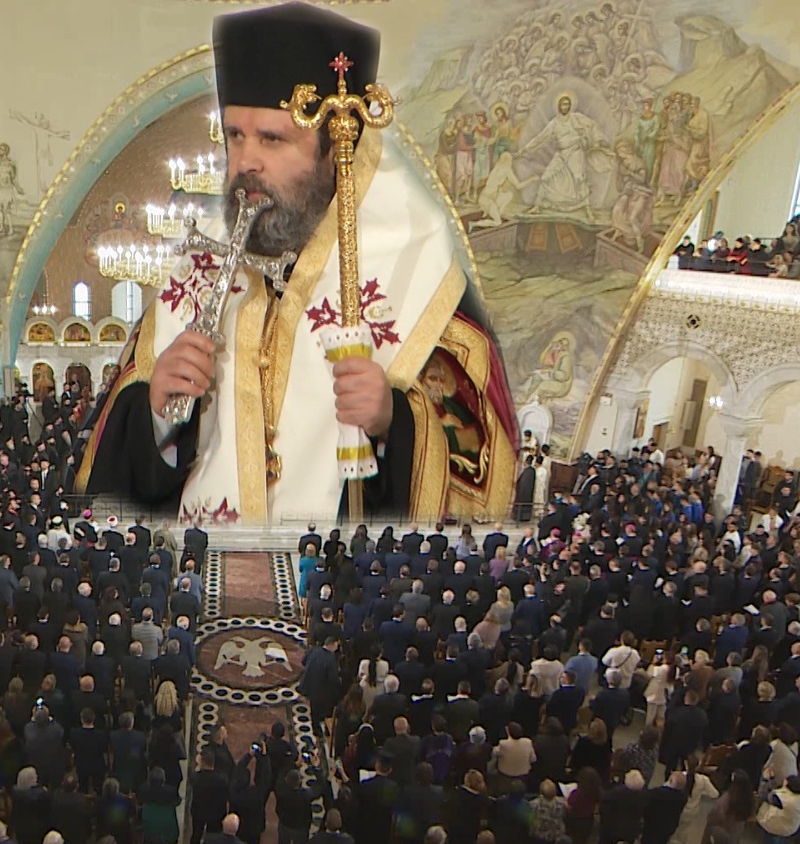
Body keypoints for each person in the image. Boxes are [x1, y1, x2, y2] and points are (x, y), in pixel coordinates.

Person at [79, 2, 517, 520]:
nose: (246, 162)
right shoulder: (202, 263)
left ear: (335, 151)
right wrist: (156, 410)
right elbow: (109, 472)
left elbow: (483, 472)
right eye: (235, 135)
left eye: (272, 139)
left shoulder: (415, 269)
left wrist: (393, 421)